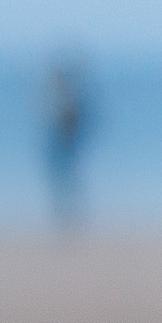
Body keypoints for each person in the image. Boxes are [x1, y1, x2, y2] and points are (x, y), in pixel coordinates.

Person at [42, 52, 95, 229]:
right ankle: (67, 216)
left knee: (67, 180)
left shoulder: (67, 99)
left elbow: (77, 121)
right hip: (63, 145)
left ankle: (71, 216)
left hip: (65, 145)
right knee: (65, 180)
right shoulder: (63, 98)